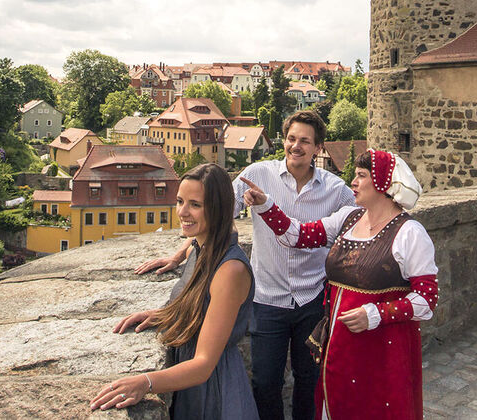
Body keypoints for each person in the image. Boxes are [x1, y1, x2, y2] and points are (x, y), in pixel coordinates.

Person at [136, 110, 354, 420]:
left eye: (305, 141)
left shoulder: (337, 189)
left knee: (310, 381)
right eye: (292, 138)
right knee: (265, 383)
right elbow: (215, 216)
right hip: (267, 301)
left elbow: (362, 224)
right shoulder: (258, 175)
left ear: (318, 147)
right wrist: (180, 253)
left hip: (312, 300)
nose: (296, 146)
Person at [242, 149, 438, 420]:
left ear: (383, 183)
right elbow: (297, 235)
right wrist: (266, 205)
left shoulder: (410, 233)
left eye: (361, 176)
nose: (353, 182)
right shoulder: (349, 218)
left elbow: (426, 299)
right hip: (339, 346)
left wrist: (376, 314)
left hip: (382, 348)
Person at [91, 163, 258, 419]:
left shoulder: (230, 271)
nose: (182, 212)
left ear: (219, 209)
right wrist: (166, 314)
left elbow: (203, 365)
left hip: (213, 391)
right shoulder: (203, 247)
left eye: (195, 204)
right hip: (190, 383)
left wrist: (143, 382)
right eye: (180, 201)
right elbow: (199, 300)